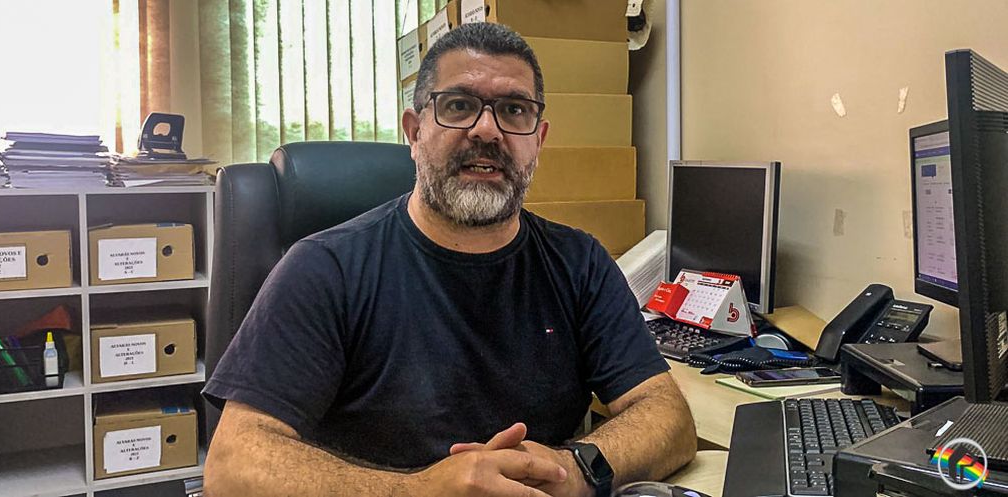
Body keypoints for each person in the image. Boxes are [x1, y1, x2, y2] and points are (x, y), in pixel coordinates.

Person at [203, 22, 697, 497]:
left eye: (514, 110)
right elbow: (232, 467)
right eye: (459, 106)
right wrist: (418, 491)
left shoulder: (580, 263)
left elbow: (667, 415)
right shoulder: (324, 269)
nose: (487, 130)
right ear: (414, 132)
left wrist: (573, 469)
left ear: (538, 140)